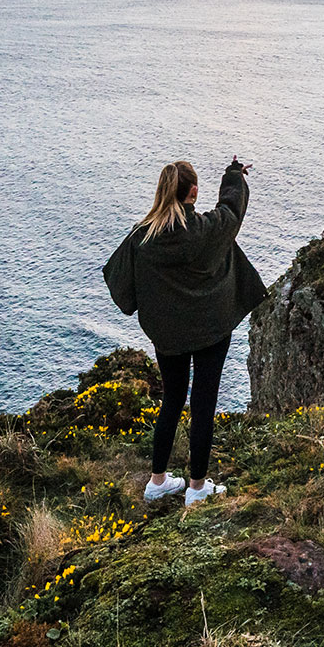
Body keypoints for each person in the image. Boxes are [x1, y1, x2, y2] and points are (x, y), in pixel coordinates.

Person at [103, 157, 266, 507]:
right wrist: (233, 174)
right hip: (211, 329)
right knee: (203, 403)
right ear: (193, 192)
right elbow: (232, 208)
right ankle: (196, 487)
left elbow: (118, 282)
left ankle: (157, 481)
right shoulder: (206, 230)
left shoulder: (141, 237)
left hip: (168, 337)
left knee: (173, 400)